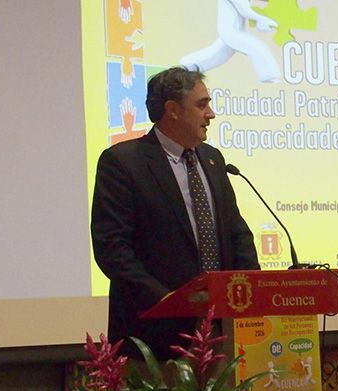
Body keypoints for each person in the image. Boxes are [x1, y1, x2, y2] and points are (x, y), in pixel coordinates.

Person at [91, 66, 260, 360]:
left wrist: (253, 291)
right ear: (172, 110)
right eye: (201, 105)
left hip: (223, 333)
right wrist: (169, 300)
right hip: (155, 337)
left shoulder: (212, 160)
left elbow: (236, 234)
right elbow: (112, 249)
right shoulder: (123, 163)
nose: (211, 114)